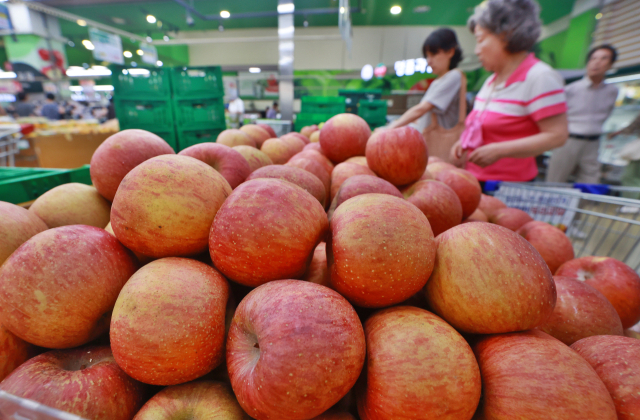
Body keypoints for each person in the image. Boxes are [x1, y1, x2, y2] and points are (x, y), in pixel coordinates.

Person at [452, 0, 569, 185]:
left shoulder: (540, 77)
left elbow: (557, 135)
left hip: (509, 187)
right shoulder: (491, 81)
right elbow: (481, 124)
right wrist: (465, 143)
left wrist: (500, 150)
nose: (477, 50)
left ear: (505, 35)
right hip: (476, 180)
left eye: (480, 40)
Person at [546, 45, 619, 184]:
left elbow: (607, 113)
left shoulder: (612, 91)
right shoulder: (570, 90)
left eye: (604, 59)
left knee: (590, 182)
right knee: (555, 181)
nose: (596, 62)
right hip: (568, 141)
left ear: (610, 65)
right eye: (593, 58)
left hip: (594, 142)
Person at [385, 28, 464, 133]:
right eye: (427, 56)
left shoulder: (454, 76)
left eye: (434, 54)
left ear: (450, 51)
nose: (429, 61)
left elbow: (421, 109)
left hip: (440, 145)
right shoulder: (439, 80)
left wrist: (389, 129)